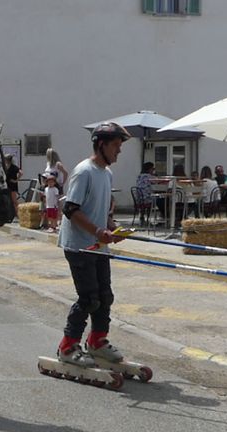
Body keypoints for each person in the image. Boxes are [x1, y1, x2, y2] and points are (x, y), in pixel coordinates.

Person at [55, 122, 131, 367]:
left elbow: (102, 211)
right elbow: (70, 209)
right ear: (101, 145)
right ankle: (67, 347)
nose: (119, 151)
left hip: (98, 246)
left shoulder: (106, 174)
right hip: (79, 246)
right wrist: (98, 231)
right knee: (89, 298)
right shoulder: (83, 171)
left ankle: (98, 341)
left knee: (105, 296)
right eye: (116, 146)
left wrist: (112, 227)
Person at [4, 154, 22, 221]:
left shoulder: (14, 167)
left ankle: (18, 215)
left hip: (12, 185)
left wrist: (16, 180)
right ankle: (9, 214)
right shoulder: (5, 167)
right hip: (6, 185)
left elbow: (21, 173)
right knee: (8, 200)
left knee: (14, 201)